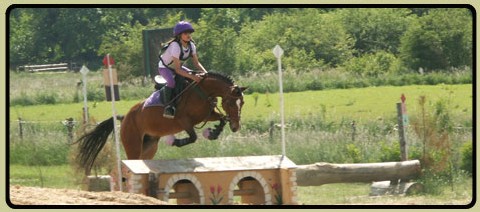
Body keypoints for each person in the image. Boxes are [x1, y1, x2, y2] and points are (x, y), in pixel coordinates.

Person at [158, 21, 207, 119]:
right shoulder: (175, 46)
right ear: (180, 35)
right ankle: (168, 107)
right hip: (165, 67)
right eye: (185, 33)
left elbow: (196, 63)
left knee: (192, 75)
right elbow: (177, 70)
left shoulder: (191, 45)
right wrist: (193, 76)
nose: (188, 35)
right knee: (171, 82)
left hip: (177, 67)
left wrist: (205, 73)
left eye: (189, 33)